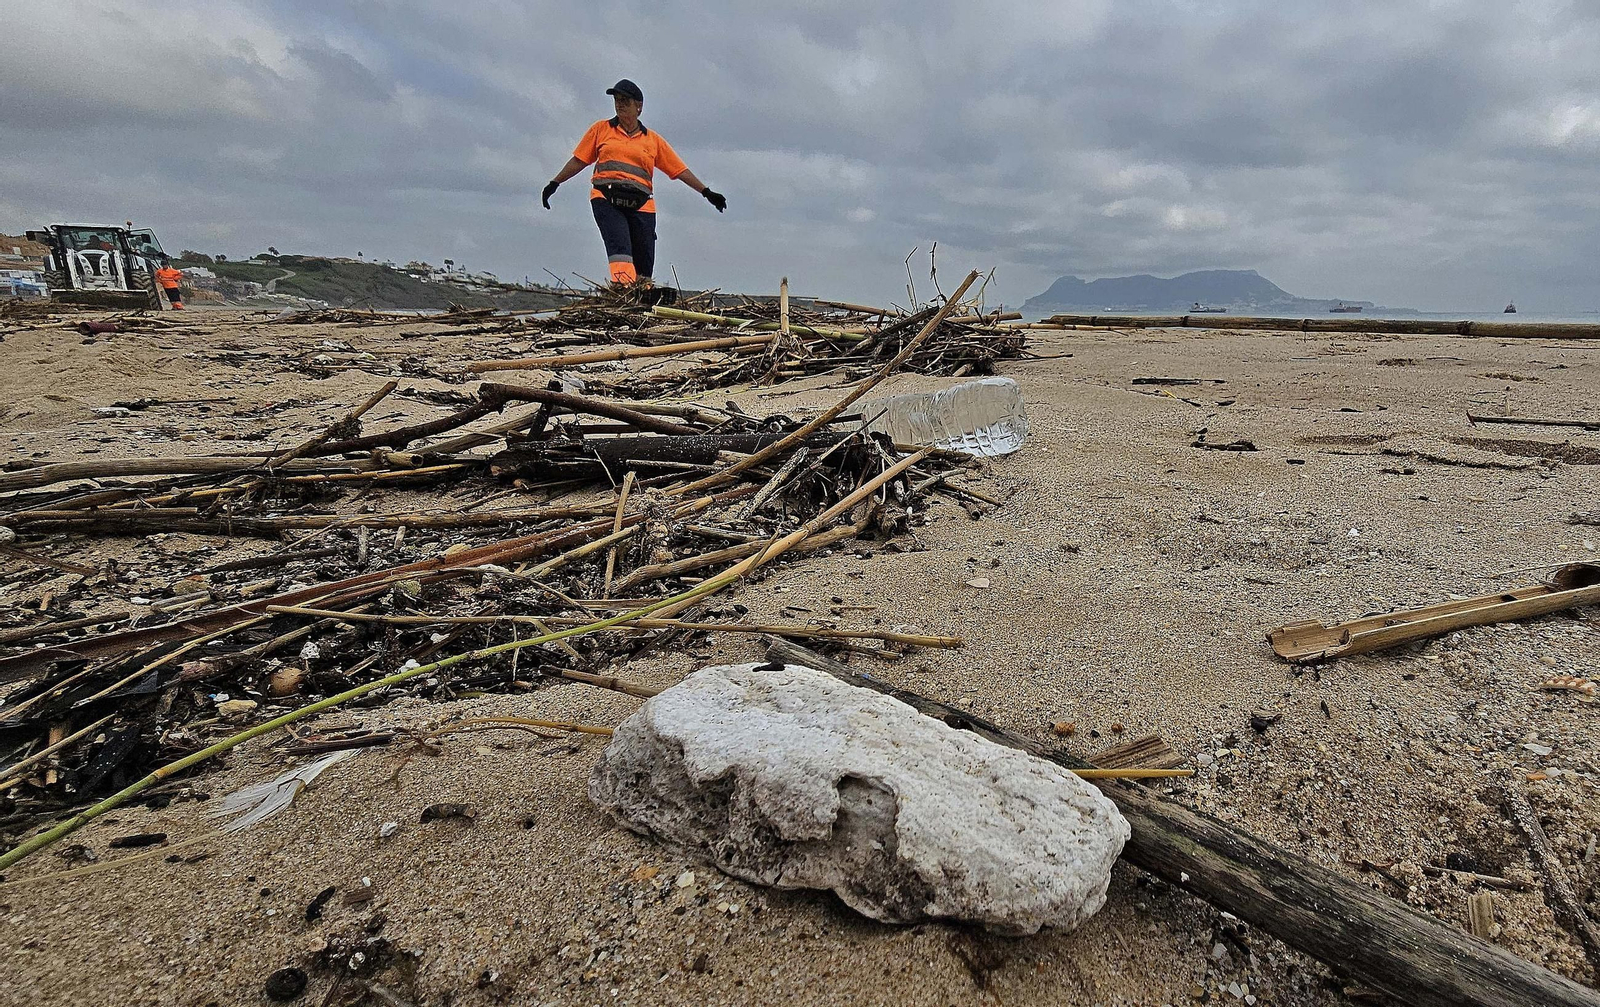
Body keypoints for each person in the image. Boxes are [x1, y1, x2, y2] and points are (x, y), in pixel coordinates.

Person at [542, 78, 725, 290]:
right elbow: (579, 160)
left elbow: (679, 169)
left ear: (639, 106)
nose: (619, 104)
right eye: (617, 100)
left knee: (644, 262)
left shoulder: (652, 140)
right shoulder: (601, 130)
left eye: (625, 101)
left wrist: (706, 192)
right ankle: (622, 291)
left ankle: (642, 298)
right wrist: (555, 182)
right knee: (620, 249)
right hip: (606, 198)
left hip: (642, 203)